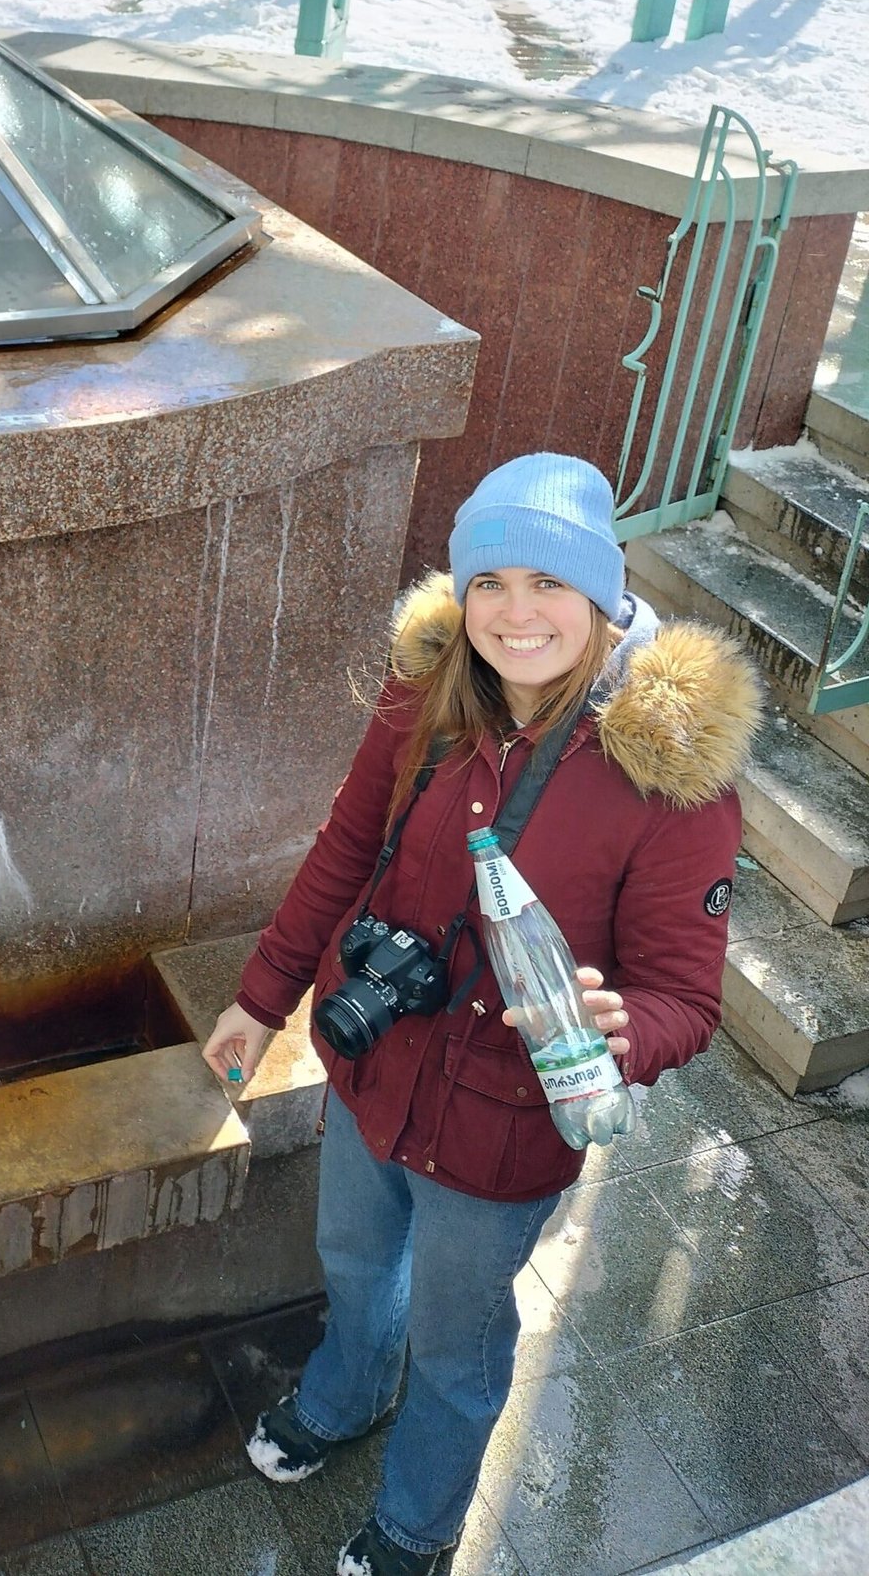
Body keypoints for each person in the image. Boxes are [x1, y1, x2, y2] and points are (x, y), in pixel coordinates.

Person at [202, 454, 759, 1576]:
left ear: (600, 595)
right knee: (353, 1261)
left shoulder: (668, 779)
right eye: (490, 582)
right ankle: (345, 1393)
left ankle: (416, 1523)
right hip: (373, 1072)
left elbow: (684, 1000)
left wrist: (621, 1029)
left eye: (549, 584)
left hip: (504, 1126)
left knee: (459, 1352)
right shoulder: (423, 697)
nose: (516, 613)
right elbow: (343, 853)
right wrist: (261, 1000)